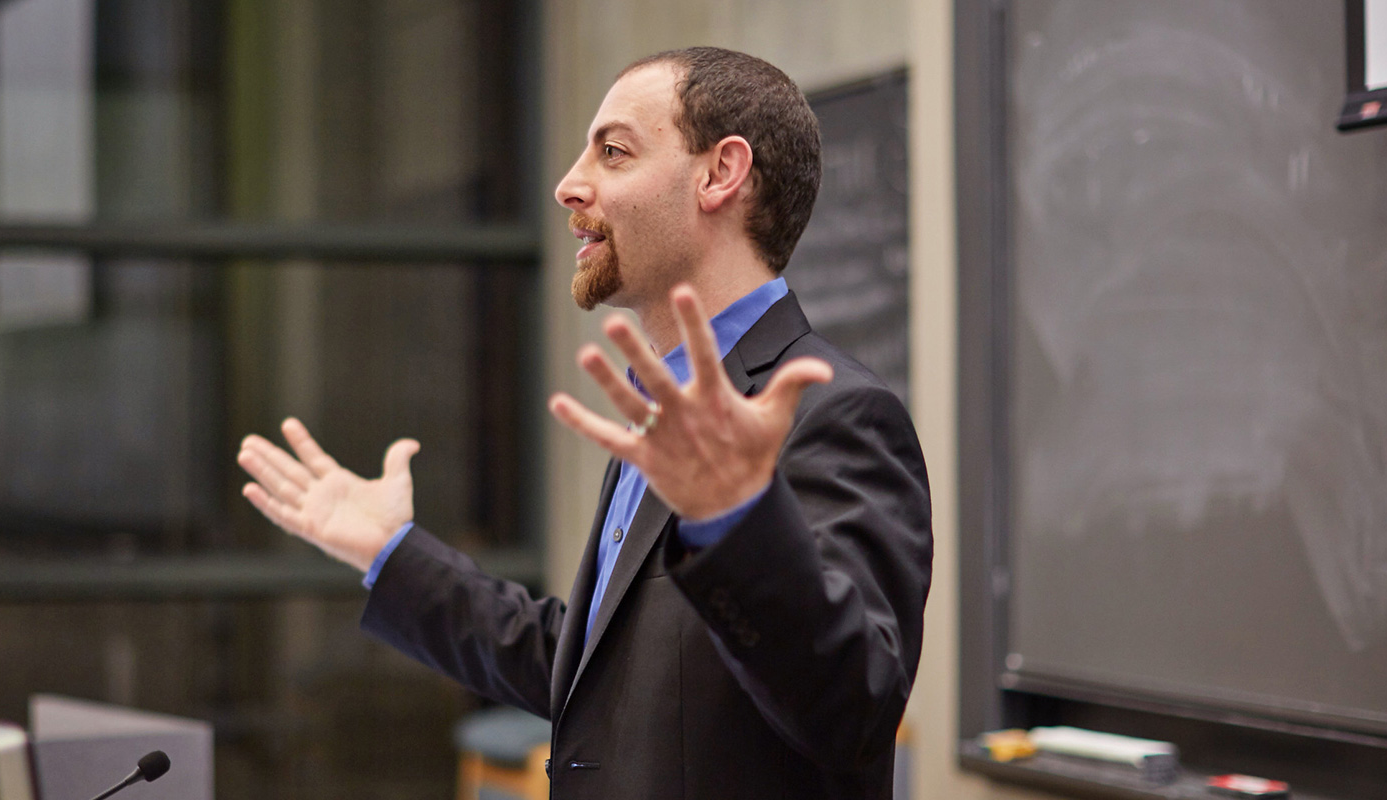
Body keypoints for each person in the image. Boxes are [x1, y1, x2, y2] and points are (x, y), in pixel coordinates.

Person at [235, 46, 931, 800]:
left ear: (720, 173)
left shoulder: (839, 414)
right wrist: (391, 554)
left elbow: (853, 712)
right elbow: (597, 669)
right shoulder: (666, 418)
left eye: (614, 152)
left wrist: (737, 522)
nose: (569, 185)